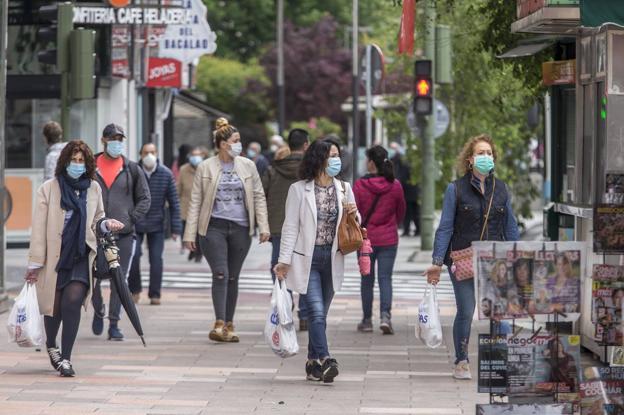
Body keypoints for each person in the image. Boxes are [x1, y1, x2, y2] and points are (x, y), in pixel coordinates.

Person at [25, 140, 124, 377]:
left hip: (81, 254)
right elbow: (38, 227)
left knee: (72, 301)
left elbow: (98, 217)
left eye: (81, 161)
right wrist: (35, 263)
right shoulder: (49, 188)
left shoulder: (93, 188)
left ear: (88, 164)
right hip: (54, 257)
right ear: (65, 161)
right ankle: (52, 345)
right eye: (73, 160)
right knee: (54, 305)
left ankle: (66, 358)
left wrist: (106, 223)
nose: (77, 165)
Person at [424, 134, 519, 380]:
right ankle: (461, 360)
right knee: (466, 311)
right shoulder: (455, 189)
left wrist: (518, 257)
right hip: (463, 260)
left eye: (489, 153)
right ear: (470, 159)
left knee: (499, 312)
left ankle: (498, 362)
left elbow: (510, 226)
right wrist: (437, 262)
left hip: (495, 261)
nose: (486, 157)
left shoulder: (502, 190)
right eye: (480, 153)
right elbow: (445, 227)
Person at [274, 138, 359, 384]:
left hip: (332, 258)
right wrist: (283, 260)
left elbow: (355, 222)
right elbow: (290, 227)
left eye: (337, 154)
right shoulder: (299, 189)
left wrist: (355, 214)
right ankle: (326, 358)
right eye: (331, 155)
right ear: (319, 158)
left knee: (319, 315)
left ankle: (312, 363)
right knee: (316, 313)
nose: (336, 159)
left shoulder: (344, 188)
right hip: (307, 259)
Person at [183, 118, 270, 343]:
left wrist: (263, 226)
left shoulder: (247, 166)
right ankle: (219, 322)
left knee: (232, 276)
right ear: (223, 144)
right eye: (236, 140)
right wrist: (189, 234)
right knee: (220, 273)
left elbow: (259, 196)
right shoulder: (206, 166)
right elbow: (195, 201)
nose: (239, 144)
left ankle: (230, 323)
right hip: (214, 227)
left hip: (241, 228)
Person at [91, 124, 151, 341]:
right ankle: (98, 309)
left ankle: (114, 323)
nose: (116, 142)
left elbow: (145, 198)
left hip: (123, 235)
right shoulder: (90, 166)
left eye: (120, 139)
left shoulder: (131, 168)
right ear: (103, 140)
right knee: (93, 278)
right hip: (95, 233)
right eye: (112, 138)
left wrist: (130, 219)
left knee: (119, 279)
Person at [353, 145, 406, 335]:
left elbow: (355, 213)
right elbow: (401, 212)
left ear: (371, 163)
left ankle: (367, 320)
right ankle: (385, 317)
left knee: (366, 280)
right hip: (389, 239)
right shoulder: (395, 185)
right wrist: (391, 225)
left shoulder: (359, 185)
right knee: (385, 279)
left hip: (365, 240)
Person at [262, 128, 310, 330]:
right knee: (307, 269)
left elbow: (262, 195)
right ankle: (306, 313)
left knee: (279, 265)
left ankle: (286, 303)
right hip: (306, 225)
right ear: (306, 145)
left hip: (279, 226)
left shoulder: (273, 169)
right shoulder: (311, 171)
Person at [128, 143, 182, 305]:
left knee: (156, 258)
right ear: (140, 154)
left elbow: (174, 202)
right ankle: (135, 290)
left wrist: (176, 228)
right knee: (134, 255)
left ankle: (155, 294)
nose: (149, 155)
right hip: (135, 223)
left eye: (152, 152)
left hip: (157, 223)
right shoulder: (132, 172)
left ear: (157, 153)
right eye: (146, 152)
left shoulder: (165, 174)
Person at [178, 146, 208, 262]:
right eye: (194, 155)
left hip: (202, 206)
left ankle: (198, 253)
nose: (196, 157)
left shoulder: (206, 168)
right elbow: (179, 187)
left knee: (199, 233)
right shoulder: (183, 169)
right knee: (187, 231)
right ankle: (192, 250)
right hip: (186, 206)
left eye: (198, 155)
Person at [390, 142, 419, 236]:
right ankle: (417, 229)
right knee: (415, 212)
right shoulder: (416, 163)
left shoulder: (404, 162)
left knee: (409, 212)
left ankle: (408, 229)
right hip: (415, 191)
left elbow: (401, 175)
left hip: (408, 191)